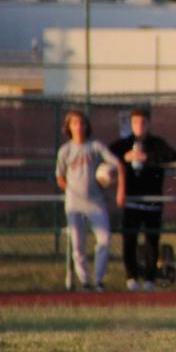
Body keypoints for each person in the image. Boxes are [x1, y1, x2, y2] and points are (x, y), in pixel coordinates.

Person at [108, 106, 176, 291]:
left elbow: (172, 156)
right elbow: (108, 154)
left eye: (143, 122)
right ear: (131, 124)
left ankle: (149, 279)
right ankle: (131, 277)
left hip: (152, 201)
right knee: (129, 239)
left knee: (151, 242)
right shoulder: (123, 144)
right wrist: (125, 158)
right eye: (136, 122)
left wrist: (147, 157)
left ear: (148, 124)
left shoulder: (156, 143)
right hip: (132, 200)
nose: (140, 125)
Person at [55, 110, 122, 291]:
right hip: (74, 204)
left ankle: (98, 280)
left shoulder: (95, 147)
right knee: (77, 244)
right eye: (75, 123)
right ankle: (85, 281)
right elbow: (60, 177)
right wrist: (72, 189)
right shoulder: (65, 150)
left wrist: (116, 184)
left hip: (95, 201)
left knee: (104, 239)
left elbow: (117, 164)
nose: (79, 126)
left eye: (82, 122)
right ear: (68, 127)